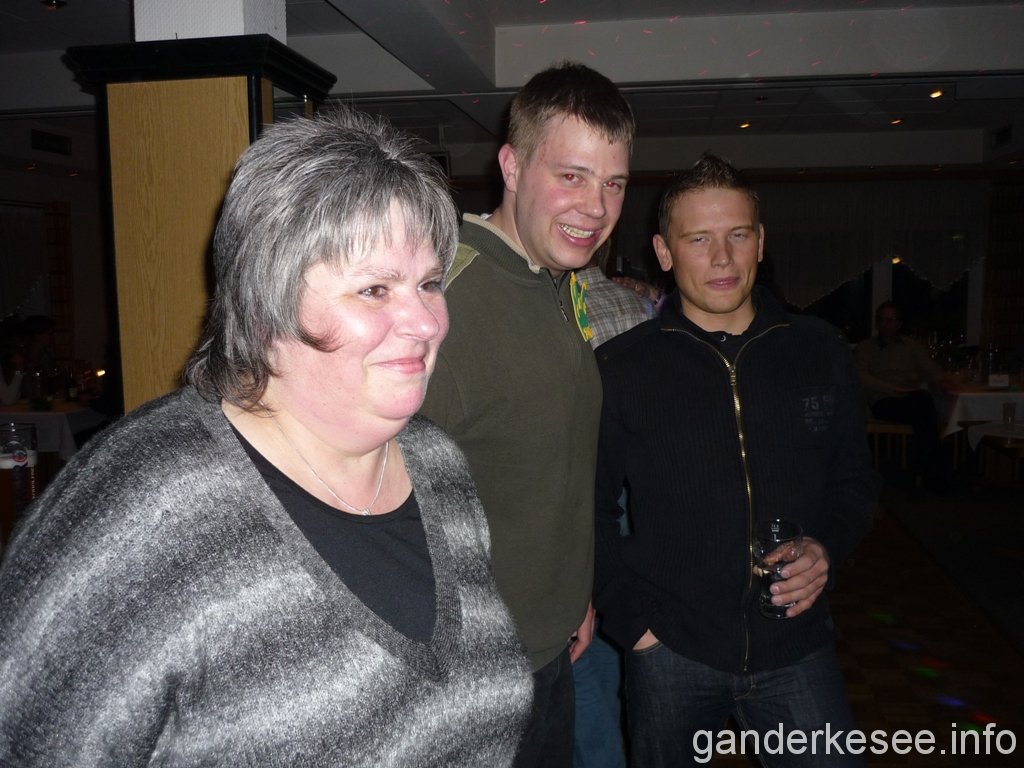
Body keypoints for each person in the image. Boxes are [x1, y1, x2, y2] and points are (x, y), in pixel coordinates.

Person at [0, 107, 532, 767]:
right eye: (374, 289)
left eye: (428, 284)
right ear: (262, 309)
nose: (426, 322)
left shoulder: (438, 465)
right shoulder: (148, 508)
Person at [594, 152, 879, 767]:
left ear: (761, 242)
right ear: (664, 252)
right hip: (670, 649)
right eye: (699, 239)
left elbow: (854, 481)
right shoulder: (622, 369)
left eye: (738, 235)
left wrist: (826, 546)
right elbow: (585, 510)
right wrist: (634, 626)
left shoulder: (819, 350)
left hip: (796, 643)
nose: (722, 258)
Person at [419, 61, 635, 767]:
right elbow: (367, 493)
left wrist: (571, 598)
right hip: (475, 671)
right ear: (511, 166)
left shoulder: (554, 279)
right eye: (572, 176)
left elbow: (550, 460)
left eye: (613, 184)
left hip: (551, 644)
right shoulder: (444, 303)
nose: (596, 208)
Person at [572, 244, 651, 768]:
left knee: (580, 657)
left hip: (581, 492)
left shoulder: (548, 306)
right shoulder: (639, 308)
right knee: (610, 646)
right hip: (627, 494)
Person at [854, 301, 954, 492]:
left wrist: (943, 381)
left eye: (890, 320)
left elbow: (930, 369)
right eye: (881, 320)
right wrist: (893, 387)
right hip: (883, 398)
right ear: (876, 323)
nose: (885, 324)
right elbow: (860, 376)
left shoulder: (911, 346)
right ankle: (929, 474)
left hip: (911, 396)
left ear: (899, 324)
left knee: (923, 407)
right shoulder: (865, 347)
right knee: (925, 412)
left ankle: (924, 474)